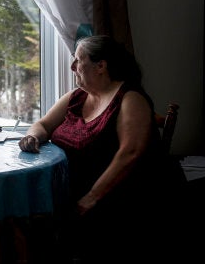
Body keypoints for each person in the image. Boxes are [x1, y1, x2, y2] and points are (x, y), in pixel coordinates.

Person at [18, 35, 185, 263]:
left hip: (116, 199)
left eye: (78, 60)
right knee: (21, 214)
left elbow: (130, 153)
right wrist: (32, 137)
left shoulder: (130, 98)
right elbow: (43, 124)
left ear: (101, 66)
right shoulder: (77, 97)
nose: (72, 66)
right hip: (73, 190)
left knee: (32, 227)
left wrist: (89, 199)